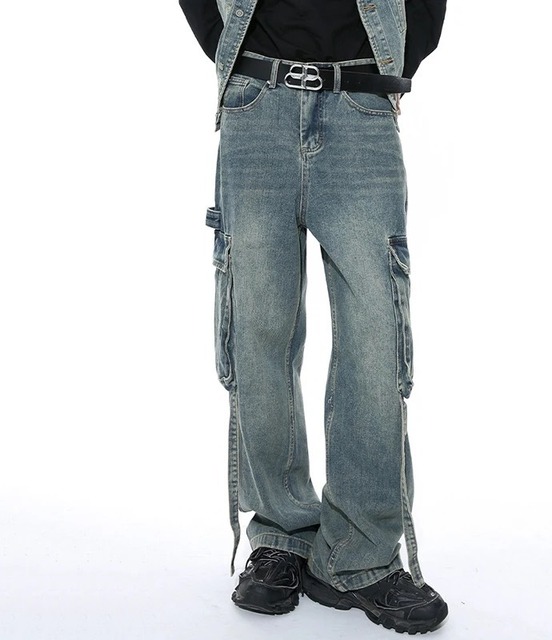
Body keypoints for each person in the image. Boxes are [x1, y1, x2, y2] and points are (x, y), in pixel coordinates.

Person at [179, 0, 448, 634]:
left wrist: (388, 65)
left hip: (361, 105)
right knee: (258, 332)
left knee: (376, 337)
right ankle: (281, 533)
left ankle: (361, 556)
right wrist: (233, 51)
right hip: (256, 104)